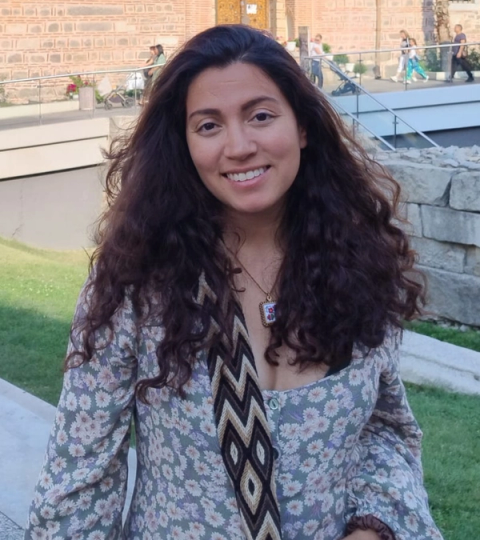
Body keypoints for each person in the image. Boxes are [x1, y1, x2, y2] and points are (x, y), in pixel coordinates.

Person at [25, 25, 442, 540]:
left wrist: (371, 529)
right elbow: (80, 477)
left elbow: (382, 431)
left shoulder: (355, 264)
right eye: (208, 126)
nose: (239, 146)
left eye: (261, 116)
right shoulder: (138, 282)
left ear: (303, 127)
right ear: (183, 144)